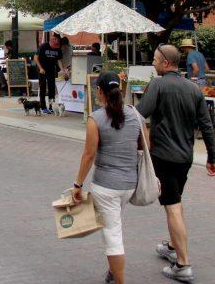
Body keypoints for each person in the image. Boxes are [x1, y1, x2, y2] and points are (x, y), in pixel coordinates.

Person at [136, 44, 215, 282]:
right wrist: (212, 158)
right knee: (176, 201)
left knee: (173, 206)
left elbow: (140, 115)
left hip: (163, 155)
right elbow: (207, 125)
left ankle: (183, 264)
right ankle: (172, 245)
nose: (152, 63)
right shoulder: (194, 89)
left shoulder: (158, 85)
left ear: (165, 63)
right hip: (185, 157)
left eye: (154, 60)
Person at [72, 72, 142, 284]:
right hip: (129, 183)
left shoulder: (97, 119)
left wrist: (78, 184)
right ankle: (113, 270)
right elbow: (144, 144)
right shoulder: (135, 114)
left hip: (106, 186)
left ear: (99, 92)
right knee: (114, 223)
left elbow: (89, 155)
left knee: (112, 234)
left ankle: (119, 279)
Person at [35, 33, 67, 115]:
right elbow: (35, 57)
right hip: (42, 70)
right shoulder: (43, 46)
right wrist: (41, 68)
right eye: (56, 42)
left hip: (52, 70)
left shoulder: (58, 48)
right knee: (42, 88)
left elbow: (59, 60)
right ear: (52, 40)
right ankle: (43, 107)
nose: (57, 45)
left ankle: (51, 106)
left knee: (52, 89)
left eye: (58, 43)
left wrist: (63, 70)